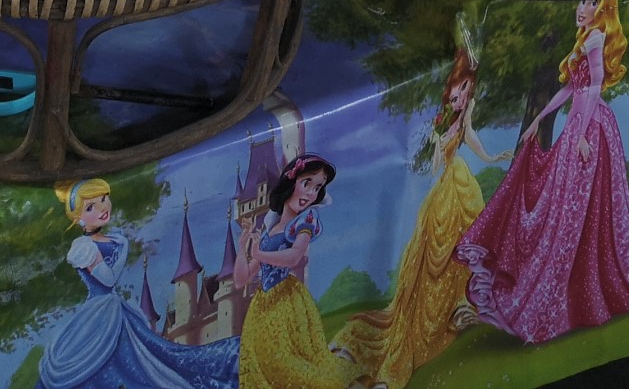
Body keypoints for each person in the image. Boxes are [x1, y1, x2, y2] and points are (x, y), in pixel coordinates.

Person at [455, 0, 629, 344]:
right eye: (581, 3)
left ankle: (561, 302)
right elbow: (570, 88)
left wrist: (583, 132)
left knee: (574, 212)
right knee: (567, 211)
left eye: (589, 3)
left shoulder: (597, 37)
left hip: (591, 128)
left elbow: (594, 86)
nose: (581, 8)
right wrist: (538, 119)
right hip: (577, 127)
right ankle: (567, 298)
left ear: (600, 9)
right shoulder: (582, 40)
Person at [332, 19, 500, 386]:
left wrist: (489, 159)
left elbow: (471, 137)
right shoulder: (443, 125)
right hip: (444, 190)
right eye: (455, 94)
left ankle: (463, 303)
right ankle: (382, 340)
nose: (459, 99)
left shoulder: (465, 114)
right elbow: (436, 163)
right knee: (433, 254)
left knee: (467, 240)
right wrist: (442, 146)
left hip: (462, 185)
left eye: (464, 92)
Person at [40, 180, 237, 388]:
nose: (102, 208)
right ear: (78, 218)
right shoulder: (84, 248)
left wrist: (120, 245)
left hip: (116, 309)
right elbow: (108, 279)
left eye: (104, 199)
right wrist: (123, 249)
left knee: (152, 355)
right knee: (109, 364)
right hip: (98, 313)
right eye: (91, 207)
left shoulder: (112, 240)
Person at [234, 155, 351, 387]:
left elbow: (294, 256)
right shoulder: (270, 229)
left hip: (286, 302)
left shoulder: (305, 220)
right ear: (291, 183)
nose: (310, 194)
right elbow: (241, 279)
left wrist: (258, 253)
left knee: (285, 362)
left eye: (317, 187)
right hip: (262, 307)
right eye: (306, 183)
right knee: (263, 362)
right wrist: (243, 245)